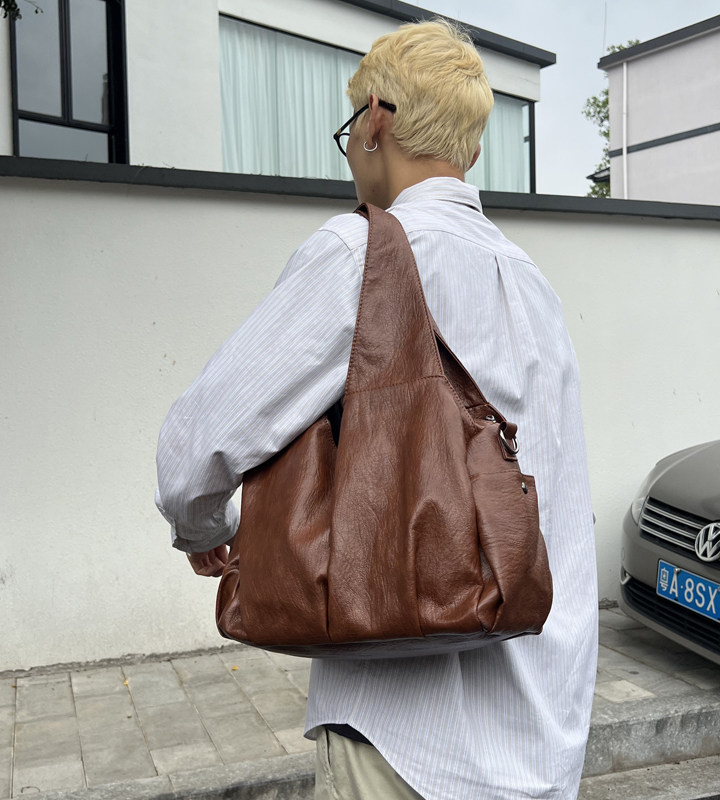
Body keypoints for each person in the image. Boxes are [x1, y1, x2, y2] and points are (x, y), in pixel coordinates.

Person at [156, 19, 598, 800]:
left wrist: (205, 529)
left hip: (408, 745)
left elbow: (198, 447)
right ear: (471, 152)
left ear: (374, 121)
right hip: (543, 733)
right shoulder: (533, 283)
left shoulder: (358, 253)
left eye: (349, 127)